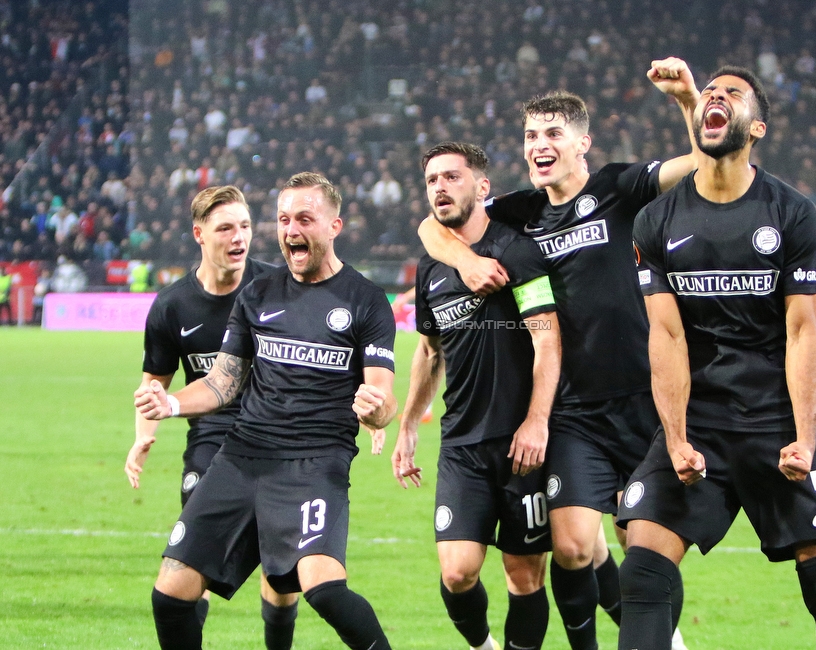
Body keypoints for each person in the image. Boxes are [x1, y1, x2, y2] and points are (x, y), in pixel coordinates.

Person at [417, 58, 699, 650]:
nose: (539, 146)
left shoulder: (618, 188)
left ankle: (665, 640)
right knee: (571, 545)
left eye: (552, 135)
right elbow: (433, 225)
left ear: (582, 144)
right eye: (530, 136)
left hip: (645, 398)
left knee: (641, 547)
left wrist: (687, 100)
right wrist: (467, 262)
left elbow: (701, 162)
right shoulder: (522, 212)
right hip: (571, 410)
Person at [620, 66, 816, 650]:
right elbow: (667, 337)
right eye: (709, 93)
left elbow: (804, 333)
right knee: (643, 569)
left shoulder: (792, 212)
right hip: (701, 421)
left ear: (755, 126)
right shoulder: (656, 221)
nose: (714, 98)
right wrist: (676, 439)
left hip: (777, 418)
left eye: (730, 94)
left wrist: (805, 438)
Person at [135, 172, 397, 650]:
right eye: (282, 220)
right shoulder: (258, 294)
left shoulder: (366, 301)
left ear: (334, 225)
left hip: (315, 462)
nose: (291, 230)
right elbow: (222, 382)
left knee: (323, 590)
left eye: (304, 219)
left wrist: (376, 411)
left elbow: (383, 397)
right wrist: (171, 403)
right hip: (242, 456)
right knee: (170, 593)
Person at [393, 142, 562, 650]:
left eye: (451, 177)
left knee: (524, 575)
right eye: (432, 181)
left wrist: (537, 421)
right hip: (462, 444)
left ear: (482, 187)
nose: (440, 188)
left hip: (520, 446)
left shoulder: (518, 251)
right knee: (458, 572)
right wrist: (406, 424)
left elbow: (546, 338)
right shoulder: (431, 268)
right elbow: (428, 352)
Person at [124, 185, 300, 649]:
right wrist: (143, 436)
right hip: (211, 439)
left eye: (245, 226)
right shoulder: (172, 305)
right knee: (190, 562)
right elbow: (153, 385)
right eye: (226, 228)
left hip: (277, 437)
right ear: (200, 234)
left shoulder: (276, 287)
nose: (239, 236)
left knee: (281, 577)